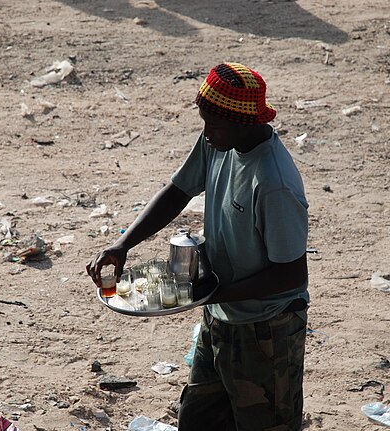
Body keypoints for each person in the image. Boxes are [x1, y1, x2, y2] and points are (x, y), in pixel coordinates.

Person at [87, 62, 309, 431]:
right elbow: (178, 190)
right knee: (198, 419)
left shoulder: (274, 183)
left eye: (213, 125)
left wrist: (210, 296)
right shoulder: (221, 140)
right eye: (204, 122)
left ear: (244, 121)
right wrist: (124, 244)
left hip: (265, 332)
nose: (206, 134)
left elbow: (290, 274)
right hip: (220, 317)